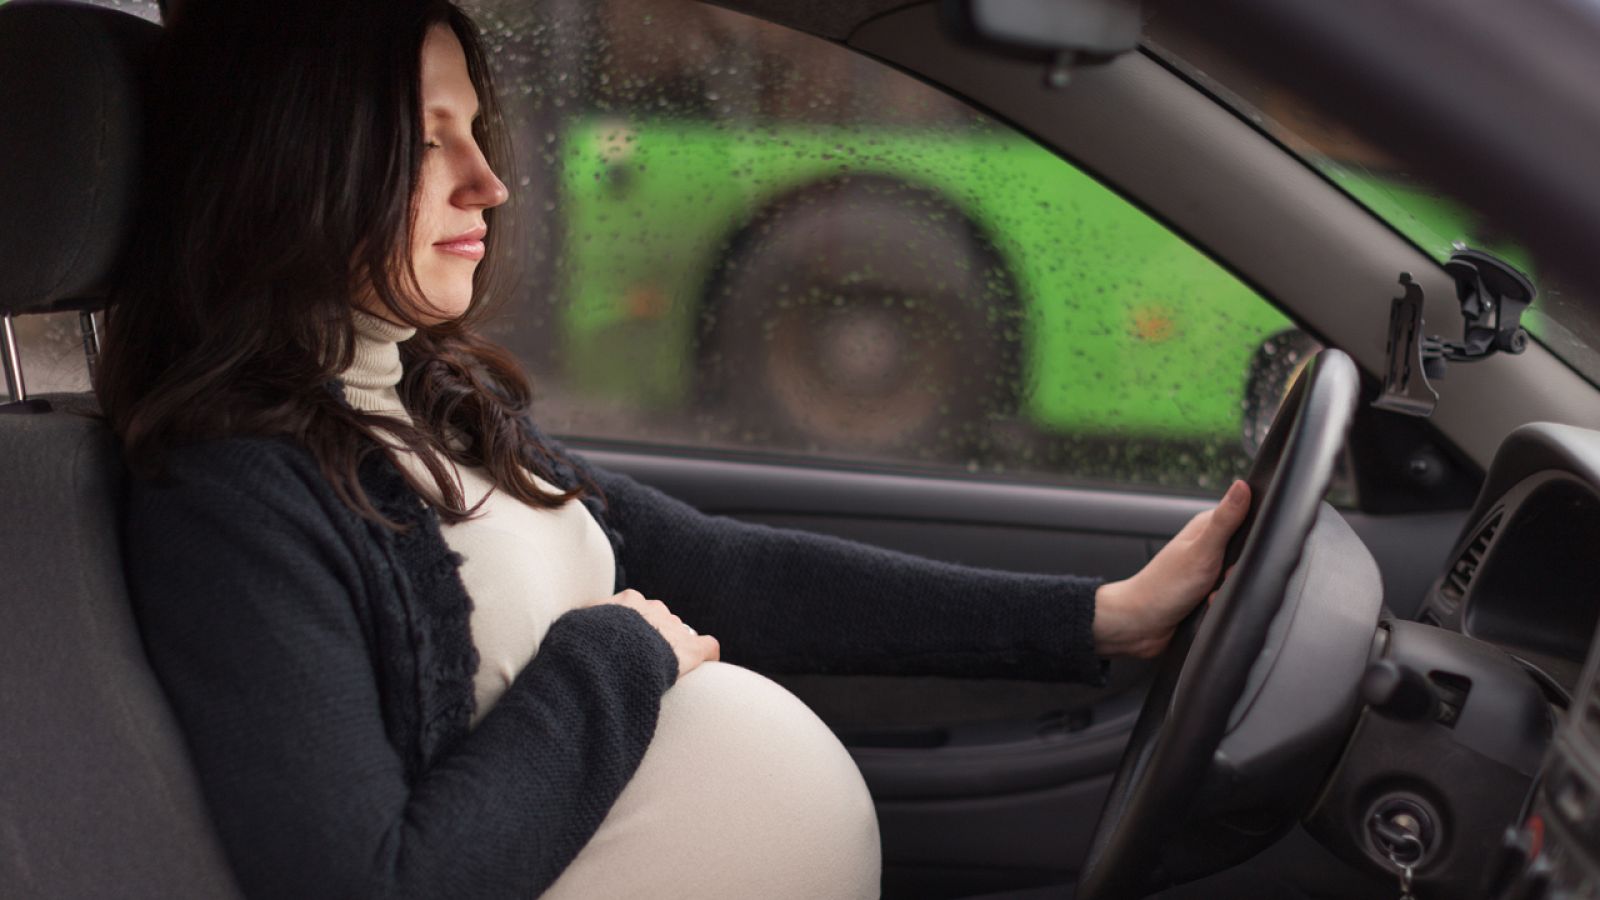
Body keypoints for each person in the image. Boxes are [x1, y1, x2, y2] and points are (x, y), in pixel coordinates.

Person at [98, 1, 1250, 897]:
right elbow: (373, 884)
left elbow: (722, 570)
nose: (488, 182)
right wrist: (615, 660)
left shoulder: (424, 400)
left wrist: (1099, 617)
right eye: (425, 139)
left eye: (475, 131)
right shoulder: (233, 491)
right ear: (291, 164)